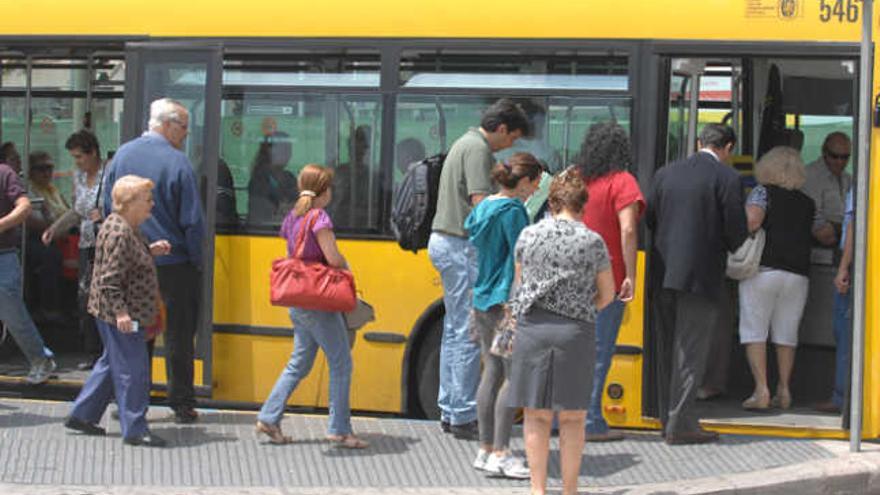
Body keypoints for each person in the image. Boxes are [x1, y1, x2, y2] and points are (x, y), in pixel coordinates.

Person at [508, 168, 614, 495]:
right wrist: (582, 309)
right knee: (572, 419)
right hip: (575, 333)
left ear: (551, 203)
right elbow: (608, 293)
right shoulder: (592, 241)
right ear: (583, 205)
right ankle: (569, 490)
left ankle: (538, 490)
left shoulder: (528, 235)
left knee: (536, 417)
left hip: (533, 330)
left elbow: (520, 282)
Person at [428, 98, 529, 439]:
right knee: (468, 332)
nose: (511, 145)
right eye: (513, 137)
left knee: (453, 329)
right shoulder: (478, 150)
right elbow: (481, 207)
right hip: (458, 245)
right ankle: (461, 415)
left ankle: (449, 407)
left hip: (446, 241)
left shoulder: (464, 142)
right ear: (501, 129)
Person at [103, 97, 205, 424]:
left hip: (133, 261)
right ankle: (182, 402)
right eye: (184, 127)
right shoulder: (178, 163)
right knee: (178, 332)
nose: (186, 134)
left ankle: (133, 400)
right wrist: (197, 260)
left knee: (137, 333)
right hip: (174, 264)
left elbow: (108, 208)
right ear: (166, 124)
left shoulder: (121, 156)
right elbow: (193, 221)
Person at [645, 124, 748, 445]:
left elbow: (650, 218)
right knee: (690, 350)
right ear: (728, 148)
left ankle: (667, 419)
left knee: (665, 348)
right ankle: (683, 425)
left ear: (699, 142)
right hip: (700, 277)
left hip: (662, 273)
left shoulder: (665, 173)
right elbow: (736, 229)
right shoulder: (728, 178)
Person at [255, 164, 368, 449]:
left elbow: (293, 249)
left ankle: (269, 416)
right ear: (325, 191)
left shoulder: (295, 215)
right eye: (330, 187)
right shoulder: (319, 217)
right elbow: (332, 258)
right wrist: (345, 265)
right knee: (341, 362)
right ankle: (340, 430)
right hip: (319, 300)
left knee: (300, 361)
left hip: (299, 299)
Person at [64, 175, 171, 447]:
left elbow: (126, 261)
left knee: (111, 363)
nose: (152, 205)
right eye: (147, 200)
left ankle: (82, 414)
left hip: (117, 312)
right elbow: (110, 279)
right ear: (130, 203)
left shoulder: (125, 226)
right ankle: (135, 429)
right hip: (124, 315)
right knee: (133, 370)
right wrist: (122, 314)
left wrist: (150, 250)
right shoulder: (120, 231)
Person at [464, 152, 542, 479]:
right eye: (535, 182)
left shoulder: (481, 208)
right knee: (512, 376)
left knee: (490, 372)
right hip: (507, 301)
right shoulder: (514, 213)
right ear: (522, 181)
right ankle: (502, 451)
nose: (537, 188)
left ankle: (484, 449)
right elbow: (521, 259)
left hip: (482, 298)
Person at [738, 146, 823, 411]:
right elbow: (825, 234)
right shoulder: (808, 202)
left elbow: (752, 221)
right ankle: (784, 390)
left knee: (755, 330)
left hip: (764, 272)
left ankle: (761, 390)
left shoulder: (762, 192)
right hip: (797, 276)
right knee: (786, 334)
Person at [577, 122, 645, 442]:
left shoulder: (575, 177)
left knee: (570, 348)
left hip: (571, 276)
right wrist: (630, 275)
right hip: (607, 277)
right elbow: (628, 229)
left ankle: (561, 416)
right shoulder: (623, 181)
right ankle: (590, 420)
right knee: (599, 349)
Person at [41, 130, 106, 370]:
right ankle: (93, 351)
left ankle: (106, 351)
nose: (77, 162)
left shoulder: (109, 174)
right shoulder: (78, 177)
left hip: (107, 244)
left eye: (79, 156)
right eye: (74, 157)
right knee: (85, 296)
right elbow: (77, 211)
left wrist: (106, 214)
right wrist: (55, 229)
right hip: (87, 243)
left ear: (93, 153)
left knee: (105, 296)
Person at [0, 153, 55, 383]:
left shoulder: (4, 173)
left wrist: (1, 224)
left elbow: (23, 207)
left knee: (10, 309)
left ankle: (40, 358)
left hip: (2, 254)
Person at [815, 188, 855, 414]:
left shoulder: (862, 185)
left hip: (855, 264)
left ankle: (841, 397)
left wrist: (843, 268)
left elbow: (853, 227)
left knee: (845, 333)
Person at [25, 151, 69, 322]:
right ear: (31, 172)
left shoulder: (53, 190)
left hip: (61, 235)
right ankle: (49, 307)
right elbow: (31, 222)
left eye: (49, 168)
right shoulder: (30, 191)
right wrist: (55, 229)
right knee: (51, 256)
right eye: (40, 169)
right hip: (36, 238)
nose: (46, 173)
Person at [802, 132, 852, 246]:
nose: (840, 162)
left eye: (845, 157)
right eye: (835, 156)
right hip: (818, 243)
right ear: (824, 152)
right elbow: (813, 217)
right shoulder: (811, 175)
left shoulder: (848, 178)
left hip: (843, 238)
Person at [247, 132, 297, 225]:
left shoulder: (289, 177)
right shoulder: (259, 180)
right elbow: (260, 218)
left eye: (289, 149)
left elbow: (299, 203)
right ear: (269, 151)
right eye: (283, 149)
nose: (288, 153)